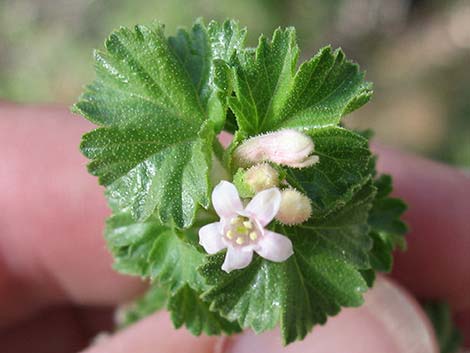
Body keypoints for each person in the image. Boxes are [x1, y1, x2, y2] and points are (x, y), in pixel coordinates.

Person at [0, 103, 469, 353]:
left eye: (246, 225)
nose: (243, 228)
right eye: (243, 225)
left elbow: (271, 207)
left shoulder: (256, 217)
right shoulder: (226, 217)